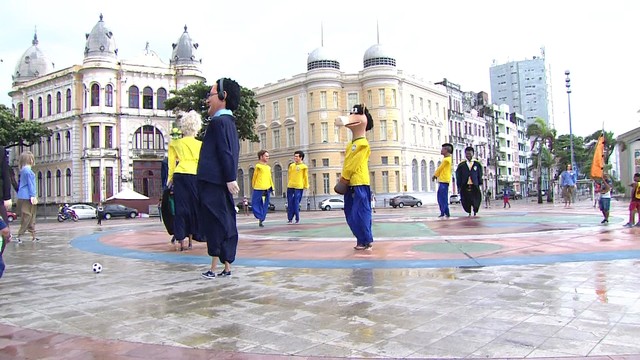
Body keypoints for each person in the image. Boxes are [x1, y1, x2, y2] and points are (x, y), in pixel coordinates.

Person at [197, 78, 241, 279]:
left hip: (213, 181)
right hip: (221, 180)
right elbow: (230, 152)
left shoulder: (218, 123)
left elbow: (225, 152)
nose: (208, 100)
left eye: (211, 95)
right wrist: (230, 177)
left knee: (215, 222)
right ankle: (226, 265)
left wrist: (230, 177)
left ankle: (215, 267)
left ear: (223, 97)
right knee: (224, 220)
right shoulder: (230, 123)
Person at [334, 104, 374, 251]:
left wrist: (344, 179)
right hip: (350, 183)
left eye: (356, 115)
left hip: (359, 182)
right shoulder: (351, 144)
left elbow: (353, 164)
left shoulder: (363, 144)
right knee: (350, 213)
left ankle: (366, 239)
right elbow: (347, 164)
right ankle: (360, 238)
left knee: (361, 212)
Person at [167, 110, 203, 251]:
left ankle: (181, 238)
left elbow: (171, 164)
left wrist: (170, 179)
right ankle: (191, 238)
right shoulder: (200, 145)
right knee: (194, 207)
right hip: (195, 175)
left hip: (180, 173)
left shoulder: (175, 143)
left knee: (180, 208)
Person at [14, 151, 38, 243]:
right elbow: (31, 184)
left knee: (29, 216)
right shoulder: (28, 171)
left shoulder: (23, 170)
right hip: (28, 196)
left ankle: (33, 235)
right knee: (28, 216)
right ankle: (20, 235)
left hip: (23, 196)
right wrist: (33, 195)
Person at [455, 146, 484, 217]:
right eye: (467, 154)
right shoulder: (461, 165)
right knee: (465, 200)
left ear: (473, 154)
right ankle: (468, 211)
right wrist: (459, 185)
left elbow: (480, 174)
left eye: (470, 154)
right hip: (465, 185)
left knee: (476, 199)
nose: (468, 155)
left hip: (474, 185)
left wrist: (480, 182)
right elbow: (458, 175)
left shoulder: (477, 164)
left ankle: (475, 210)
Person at [251, 150, 274, 227]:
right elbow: (254, 177)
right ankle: (260, 216)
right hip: (258, 188)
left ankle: (261, 218)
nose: (268, 157)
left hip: (267, 188)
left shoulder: (268, 167)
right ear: (261, 157)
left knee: (265, 205)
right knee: (255, 203)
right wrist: (254, 186)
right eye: (266, 156)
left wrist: (272, 188)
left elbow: (270, 178)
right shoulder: (258, 166)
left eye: (268, 156)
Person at [286, 151, 309, 224]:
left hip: (299, 187)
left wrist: (306, 185)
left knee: (296, 202)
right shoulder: (291, 166)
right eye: (294, 156)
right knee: (290, 203)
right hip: (290, 186)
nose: (295, 158)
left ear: (301, 157)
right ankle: (290, 219)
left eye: (297, 156)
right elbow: (289, 175)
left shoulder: (304, 167)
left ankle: (297, 218)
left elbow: (305, 177)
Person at [432, 143, 453, 218]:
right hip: (444, 180)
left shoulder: (446, 160)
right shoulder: (447, 159)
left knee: (441, 197)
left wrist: (435, 175)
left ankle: (443, 212)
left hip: (444, 180)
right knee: (443, 197)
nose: (441, 150)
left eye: (442, 149)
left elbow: (440, 168)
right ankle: (445, 212)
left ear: (446, 150)